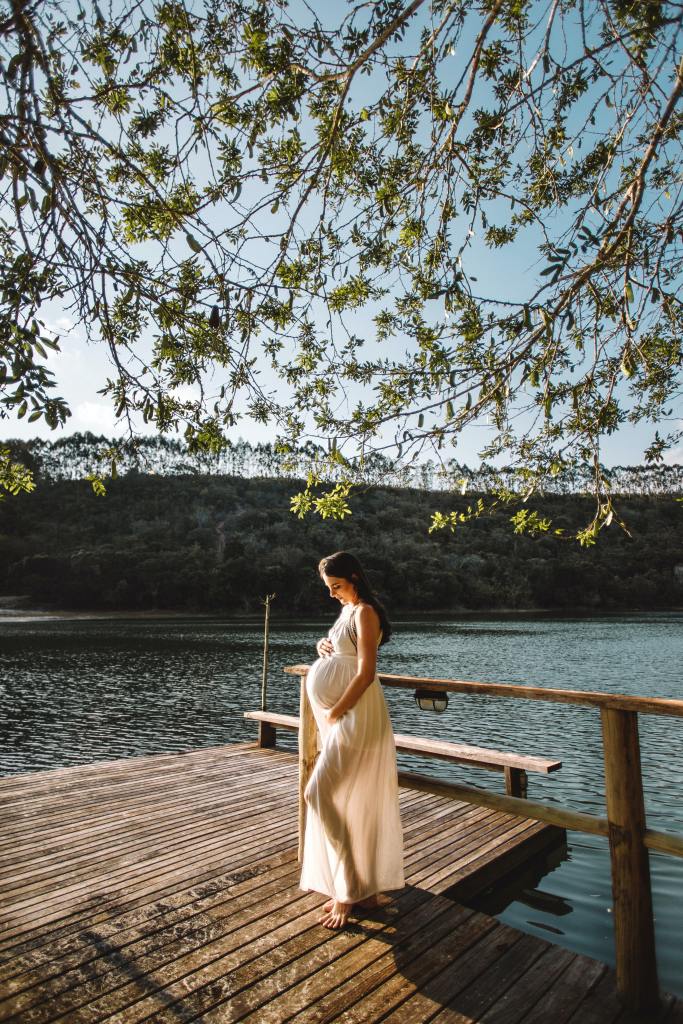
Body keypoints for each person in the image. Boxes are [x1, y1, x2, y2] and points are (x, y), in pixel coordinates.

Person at [299, 551, 405, 929]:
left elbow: (365, 672)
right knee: (348, 798)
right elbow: (342, 651)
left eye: (337, 585)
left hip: (355, 718)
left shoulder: (365, 612)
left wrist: (335, 711)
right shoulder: (347, 611)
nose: (332, 593)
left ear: (355, 578)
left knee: (318, 794)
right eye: (328, 587)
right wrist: (322, 645)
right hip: (344, 719)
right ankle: (363, 888)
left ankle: (347, 889)